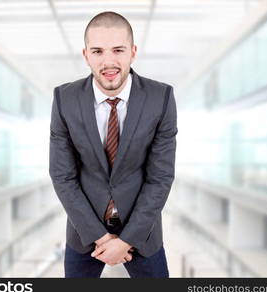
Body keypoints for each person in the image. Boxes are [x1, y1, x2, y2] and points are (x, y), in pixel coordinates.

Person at [49, 11, 177, 278]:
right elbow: (63, 176)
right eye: (97, 51)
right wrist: (101, 237)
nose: (108, 62)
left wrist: (127, 240)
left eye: (118, 50)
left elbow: (160, 177)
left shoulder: (161, 98)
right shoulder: (64, 99)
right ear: (85, 55)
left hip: (142, 232)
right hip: (85, 233)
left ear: (133, 51)